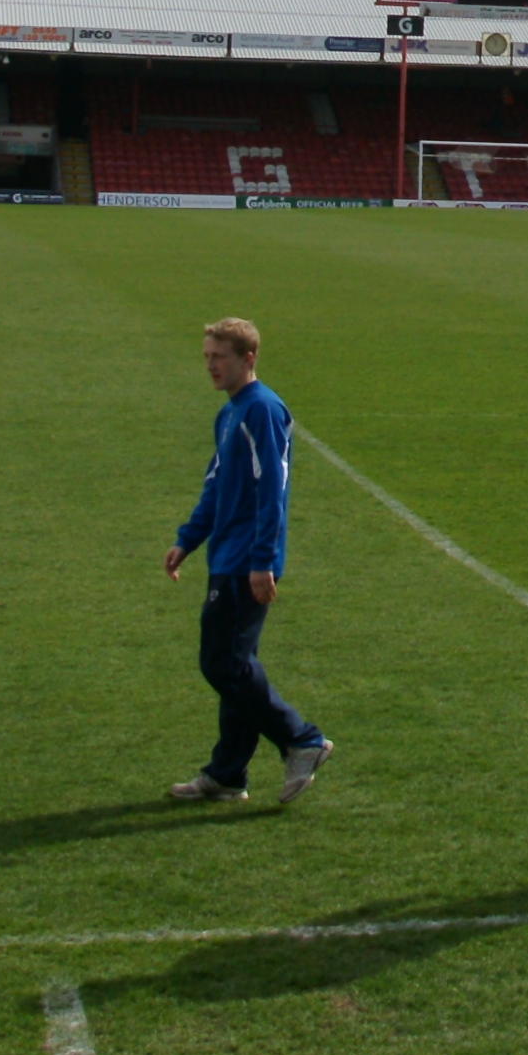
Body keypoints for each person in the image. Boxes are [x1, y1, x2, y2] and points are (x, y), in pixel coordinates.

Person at [164, 317, 333, 806]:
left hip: (248, 561)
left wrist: (263, 561)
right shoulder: (230, 413)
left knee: (223, 663)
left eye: (220, 357)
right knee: (237, 665)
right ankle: (228, 774)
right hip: (228, 555)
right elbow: (216, 486)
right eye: (207, 357)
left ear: (248, 359)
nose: (211, 366)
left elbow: (272, 491)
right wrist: (188, 539)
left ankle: (301, 739)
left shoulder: (263, 410)